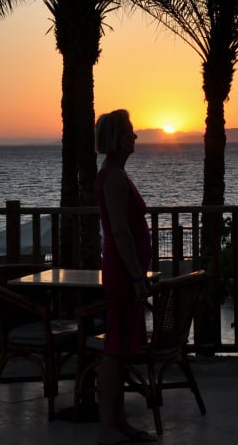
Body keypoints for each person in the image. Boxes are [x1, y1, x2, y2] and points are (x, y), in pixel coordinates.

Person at [93, 109, 156, 444]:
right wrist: (136, 277)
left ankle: (118, 422)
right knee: (115, 352)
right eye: (130, 132)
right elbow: (120, 231)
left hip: (124, 271)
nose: (135, 137)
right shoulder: (114, 177)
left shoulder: (114, 174)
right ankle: (109, 425)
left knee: (119, 349)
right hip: (121, 274)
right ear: (117, 140)